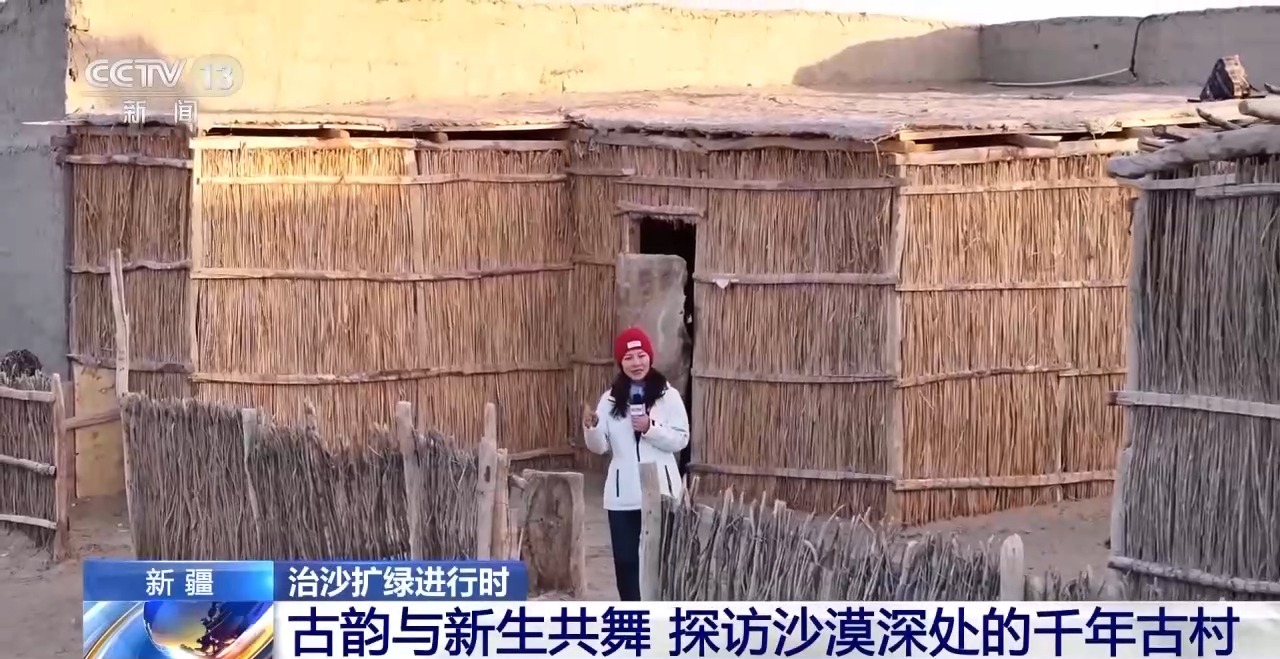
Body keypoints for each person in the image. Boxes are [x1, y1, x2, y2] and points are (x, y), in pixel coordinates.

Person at [582, 326, 689, 601]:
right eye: (629, 358)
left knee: (660, 561)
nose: (636, 363)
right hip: (622, 497)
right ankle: (633, 616)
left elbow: (681, 438)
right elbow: (600, 447)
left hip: (662, 493)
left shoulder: (668, 396)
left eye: (641, 355)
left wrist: (650, 428)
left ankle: (661, 617)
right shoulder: (609, 400)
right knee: (626, 562)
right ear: (621, 362)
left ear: (650, 357)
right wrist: (591, 428)